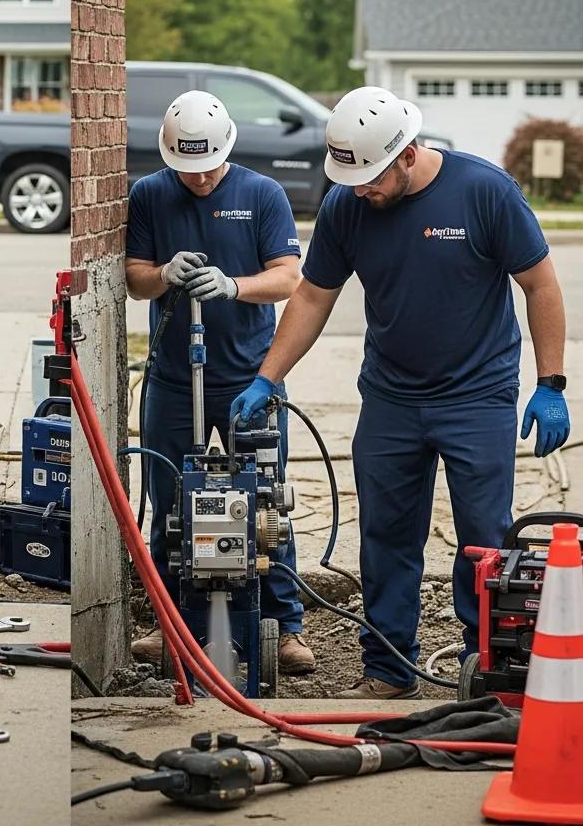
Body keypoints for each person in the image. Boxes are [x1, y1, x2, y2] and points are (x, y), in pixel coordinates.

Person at [233, 85, 570, 699]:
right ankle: (388, 669)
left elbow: (541, 286)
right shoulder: (346, 206)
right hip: (391, 399)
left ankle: (489, 668)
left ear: (409, 153)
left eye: (372, 177)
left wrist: (550, 383)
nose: (362, 189)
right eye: (352, 177)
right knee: (386, 536)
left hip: (477, 396)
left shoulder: (485, 190)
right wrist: (267, 375)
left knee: (484, 540)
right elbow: (312, 295)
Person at [124, 90, 315, 676]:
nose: (201, 177)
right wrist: (163, 274)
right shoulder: (151, 194)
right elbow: (134, 280)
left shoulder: (261, 194)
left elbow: (288, 278)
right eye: (188, 167)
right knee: (171, 503)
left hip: (247, 377)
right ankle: (173, 625)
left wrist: (233, 286)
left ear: (226, 149)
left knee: (265, 500)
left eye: (209, 165)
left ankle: (283, 627)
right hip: (175, 380)